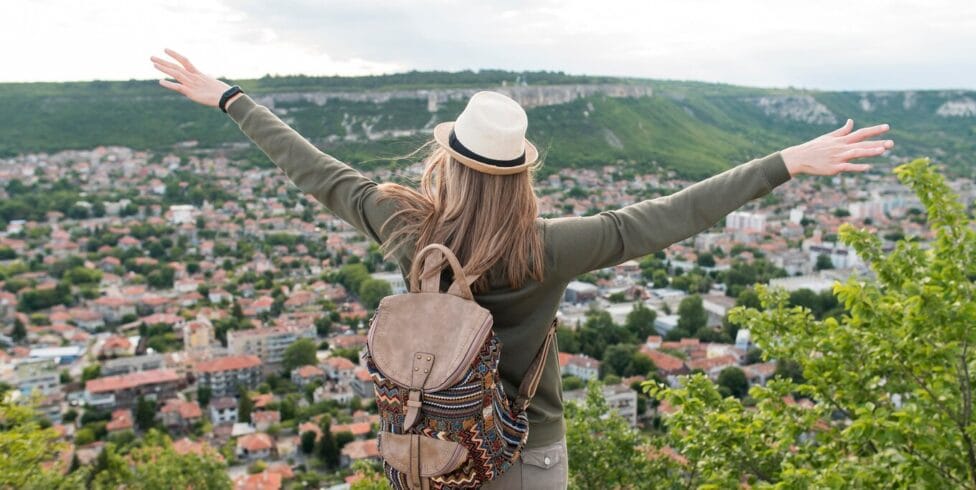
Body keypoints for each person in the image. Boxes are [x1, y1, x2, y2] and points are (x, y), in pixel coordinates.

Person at [151, 48, 893, 489]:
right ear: (522, 174)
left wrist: (230, 99)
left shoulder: (405, 223)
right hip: (530, 449)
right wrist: (785, 162)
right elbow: (674, 213)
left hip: (434, 442)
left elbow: (315, 170)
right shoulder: (552, 245)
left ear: (448, 158)